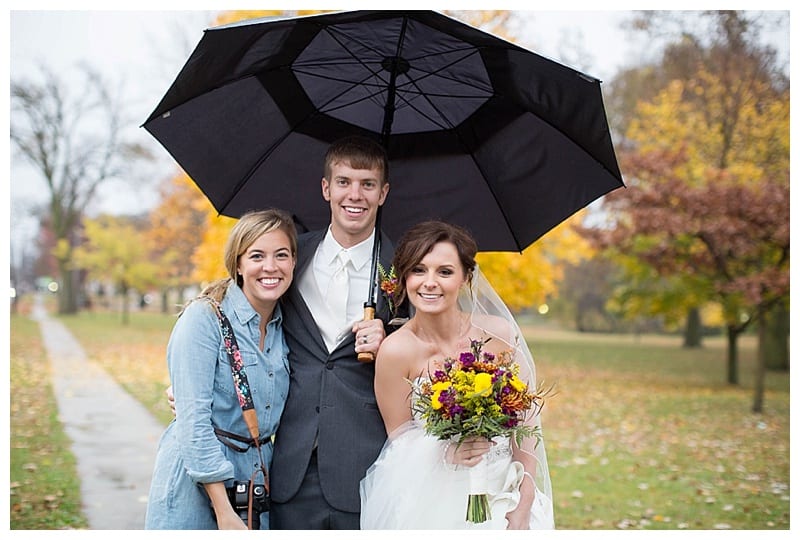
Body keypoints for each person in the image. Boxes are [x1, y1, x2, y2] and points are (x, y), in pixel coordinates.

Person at [359, 220, 555, 529]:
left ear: (466, 278)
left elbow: (526, 423)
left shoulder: (499, 334)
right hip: (434, 499)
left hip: (505, 492)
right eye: (418, 270)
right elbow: (398, 439)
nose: (429, 282)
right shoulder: (396, 351)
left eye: (445, 272)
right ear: (405, 277)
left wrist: (526, 496)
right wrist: (445, 451)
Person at [268, 135, 400, 529]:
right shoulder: (290, 255)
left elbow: (434, 348)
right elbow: (243, 320)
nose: (354, 194)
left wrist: (390, 342)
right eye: (343, 181)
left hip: (367, 465)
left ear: (383, 192)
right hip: (289, 465)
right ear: (326, 188)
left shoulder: (406, 270)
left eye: (367, 184)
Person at [145, 209, 297, 530]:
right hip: (198, 483)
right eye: (257, 255)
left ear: (294, 262)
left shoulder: (288, 326)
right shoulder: (204, 319)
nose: (270, 267)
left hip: (254, 480)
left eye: (281, 255)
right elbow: (195, 423)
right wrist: (224, 511)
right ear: (238, 263)